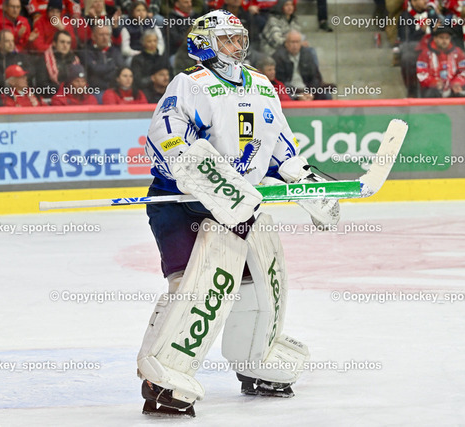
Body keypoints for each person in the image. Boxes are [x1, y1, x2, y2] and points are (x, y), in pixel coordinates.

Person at [138, 9, 338, 418]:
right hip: (182, 203)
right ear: (204, 44)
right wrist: (212, 181)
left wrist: (306, 183)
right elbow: (165, 138)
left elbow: (281, 146)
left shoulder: (262, 86)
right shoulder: (191, 84)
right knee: (193, 288)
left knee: (259, 282)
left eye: (239, 38)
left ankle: (255, 360)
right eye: (226, 39)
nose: (236, 46)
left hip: (243, 205)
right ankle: (164, 377)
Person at [416, 26, 465, 98]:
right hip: (433, 89)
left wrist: (457, 82)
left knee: (463, 93)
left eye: (447, 38)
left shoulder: (458, 52)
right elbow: (421, 74)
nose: (444, 41)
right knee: (431, 93)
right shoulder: (425, 53)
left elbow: (464, 72)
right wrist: (434, 82)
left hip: (452, 87)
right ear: (435, 39)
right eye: (441, 38)